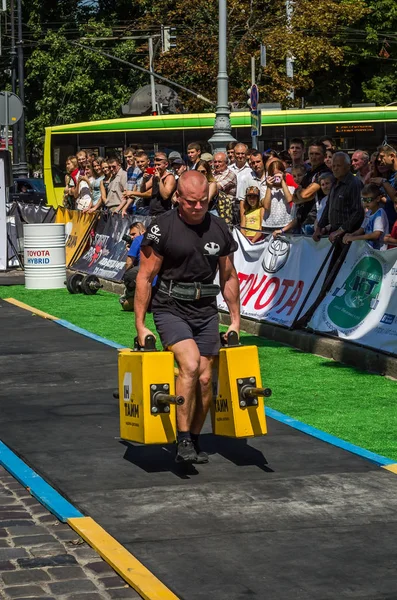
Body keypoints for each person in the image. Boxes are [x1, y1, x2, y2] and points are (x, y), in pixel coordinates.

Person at [135, 170, 240, 464]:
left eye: (202, 202)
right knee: (190, 365)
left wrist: (234, 320)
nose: (196, 207)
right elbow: (145, 277)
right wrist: (141, 325)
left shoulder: (219, 228)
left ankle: (193, 439)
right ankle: (181, 439)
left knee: (206, 379)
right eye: (190, 202)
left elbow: (229, 275)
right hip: (170, 307)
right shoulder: (161, 227)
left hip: (205, 309)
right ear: (178, 197)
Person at [313, 152, 364, 244]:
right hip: (334, 234)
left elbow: (358, 212)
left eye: (338, 166)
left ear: (348, 166)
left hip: (349, 236)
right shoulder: (335, 182)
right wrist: (319, 228)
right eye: (333, 166)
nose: (335, 169)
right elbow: (328, 207)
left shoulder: (354, 183)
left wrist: (341, 230)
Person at [293, 141, 331, 233]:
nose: (313, 157)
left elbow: (304, 195)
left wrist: (302, 193)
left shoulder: (324, 173)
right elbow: (294, 198)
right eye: (311, 154)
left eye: (317, 154)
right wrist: (302, 193)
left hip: (315, 222)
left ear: (324, 155)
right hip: (302, 219)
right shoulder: (308, 173)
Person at [343, 184, 389, 251]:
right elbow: (361, 229)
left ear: (378, 199)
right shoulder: (368, 213)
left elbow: (376, 235)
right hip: (369, 250)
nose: (365, 203)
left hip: (379, 251)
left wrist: (355, 238)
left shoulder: (380, 214)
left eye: (369, 200)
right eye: (363, 200)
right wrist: (351, 235)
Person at [120, 221, 147, 311]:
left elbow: (129, 263)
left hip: (143, 276)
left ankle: (129, 298)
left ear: (142, 231)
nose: (132, 237)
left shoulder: (138, 239)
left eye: (133, 234)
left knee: (125, 305)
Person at [370, 143, 397, 230]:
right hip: (389, 225)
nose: (379, 159)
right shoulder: (390, 175)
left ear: (392, 156)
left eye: (382, 156)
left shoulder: (386, 179)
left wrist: (383, 182)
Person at [262, 159, 294, 232]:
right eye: (273, 175)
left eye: (279, 173)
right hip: (269, 225)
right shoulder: (264, 188)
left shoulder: (290, 188)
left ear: (284, 173)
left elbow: (289, 199)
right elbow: (266, 206)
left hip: (286, 224)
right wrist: (269, 187)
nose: (277, 177)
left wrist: (282, 182)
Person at [238, 151, 267, 219]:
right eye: (253, 163)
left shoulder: (270, 176)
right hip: (253, 218)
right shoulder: (246, 178)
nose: (256, 164)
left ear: (263, 162)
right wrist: (243, 221)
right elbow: (242, 201)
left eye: (258, 161)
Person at [213, 152, 237, 224]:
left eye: (219, 162)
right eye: (215, 162)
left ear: (226, 163)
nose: (217, 164)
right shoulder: (212, 173)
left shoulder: (230, 174)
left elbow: (217, 187)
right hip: (214, 208)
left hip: (225, 209)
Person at [149, 152, 176, 217]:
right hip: (152, 212)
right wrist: (144, 179)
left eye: (158, 165)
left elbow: (165, 196)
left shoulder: (170, 177)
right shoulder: (154, 176)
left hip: (163, 213)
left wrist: (159, 180)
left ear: (166, 165)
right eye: (155, 165)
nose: (156, 167)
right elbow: (143, 189)